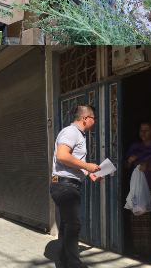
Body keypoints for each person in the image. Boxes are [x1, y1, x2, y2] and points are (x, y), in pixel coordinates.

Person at [50, 104, 103, 268]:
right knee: (73, 225)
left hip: (65, 185)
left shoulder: (78, 134)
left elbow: (71, 161)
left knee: (67, 226)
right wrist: (87, 166)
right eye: (94, 118)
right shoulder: (71, 132)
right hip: (65, 187)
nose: (95, 122)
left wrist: (88, 173)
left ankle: (64, 262)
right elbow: (62, 155)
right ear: (86, 118)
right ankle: (74, 264)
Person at [124, 121, 151, 255]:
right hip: (138, 188)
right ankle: (141, 250)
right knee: (139, 218)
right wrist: (129, 162)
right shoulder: (135, 147)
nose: (143, 133)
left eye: (147, 130)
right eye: (141, 130)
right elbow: (127, 166)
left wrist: (149, 167)